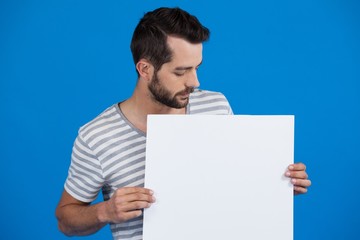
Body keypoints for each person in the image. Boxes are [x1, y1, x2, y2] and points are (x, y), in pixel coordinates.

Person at [55, 7, 312, 240]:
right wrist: (105, 211)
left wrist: (278, 184)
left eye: (197, 68)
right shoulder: (97, 136)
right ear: (145, 69)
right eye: (181, 72)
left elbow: (231, 188)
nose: (195, 82)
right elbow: (66, 220)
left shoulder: (216, 106)